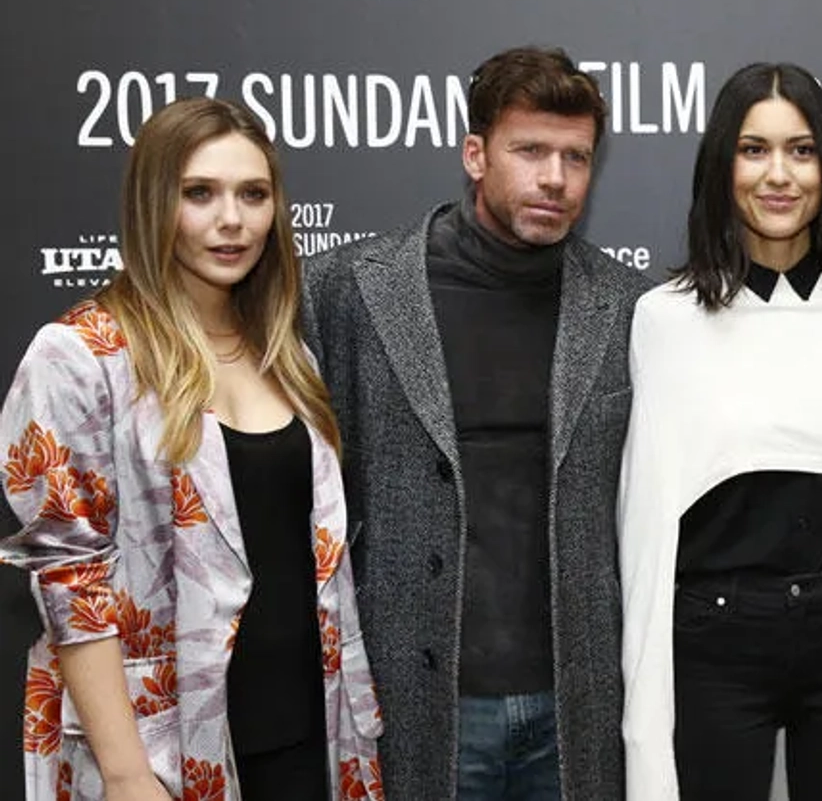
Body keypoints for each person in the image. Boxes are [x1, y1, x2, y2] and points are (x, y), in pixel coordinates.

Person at [1, 97, 383, 800]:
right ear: (154, 203)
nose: (231, 219)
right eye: (199, 193)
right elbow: (68, 577)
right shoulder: (83, 356)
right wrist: (124, 774)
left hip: (310, 737)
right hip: (164, 754)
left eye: (253, 194)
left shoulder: (285, 352)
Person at [302, 46, 647, 800]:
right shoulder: (348, 292)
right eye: (530, 151)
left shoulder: (629, 309)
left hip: (575, 704)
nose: (555, 178)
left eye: (576, 157)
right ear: (474, 153)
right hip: (412, 702)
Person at [616, 62, 822, 801]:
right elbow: (644, 532)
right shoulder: (665, 320)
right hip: (712, 641)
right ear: (721, 165)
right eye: (754, 149)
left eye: (801, 150)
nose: (780, 175)